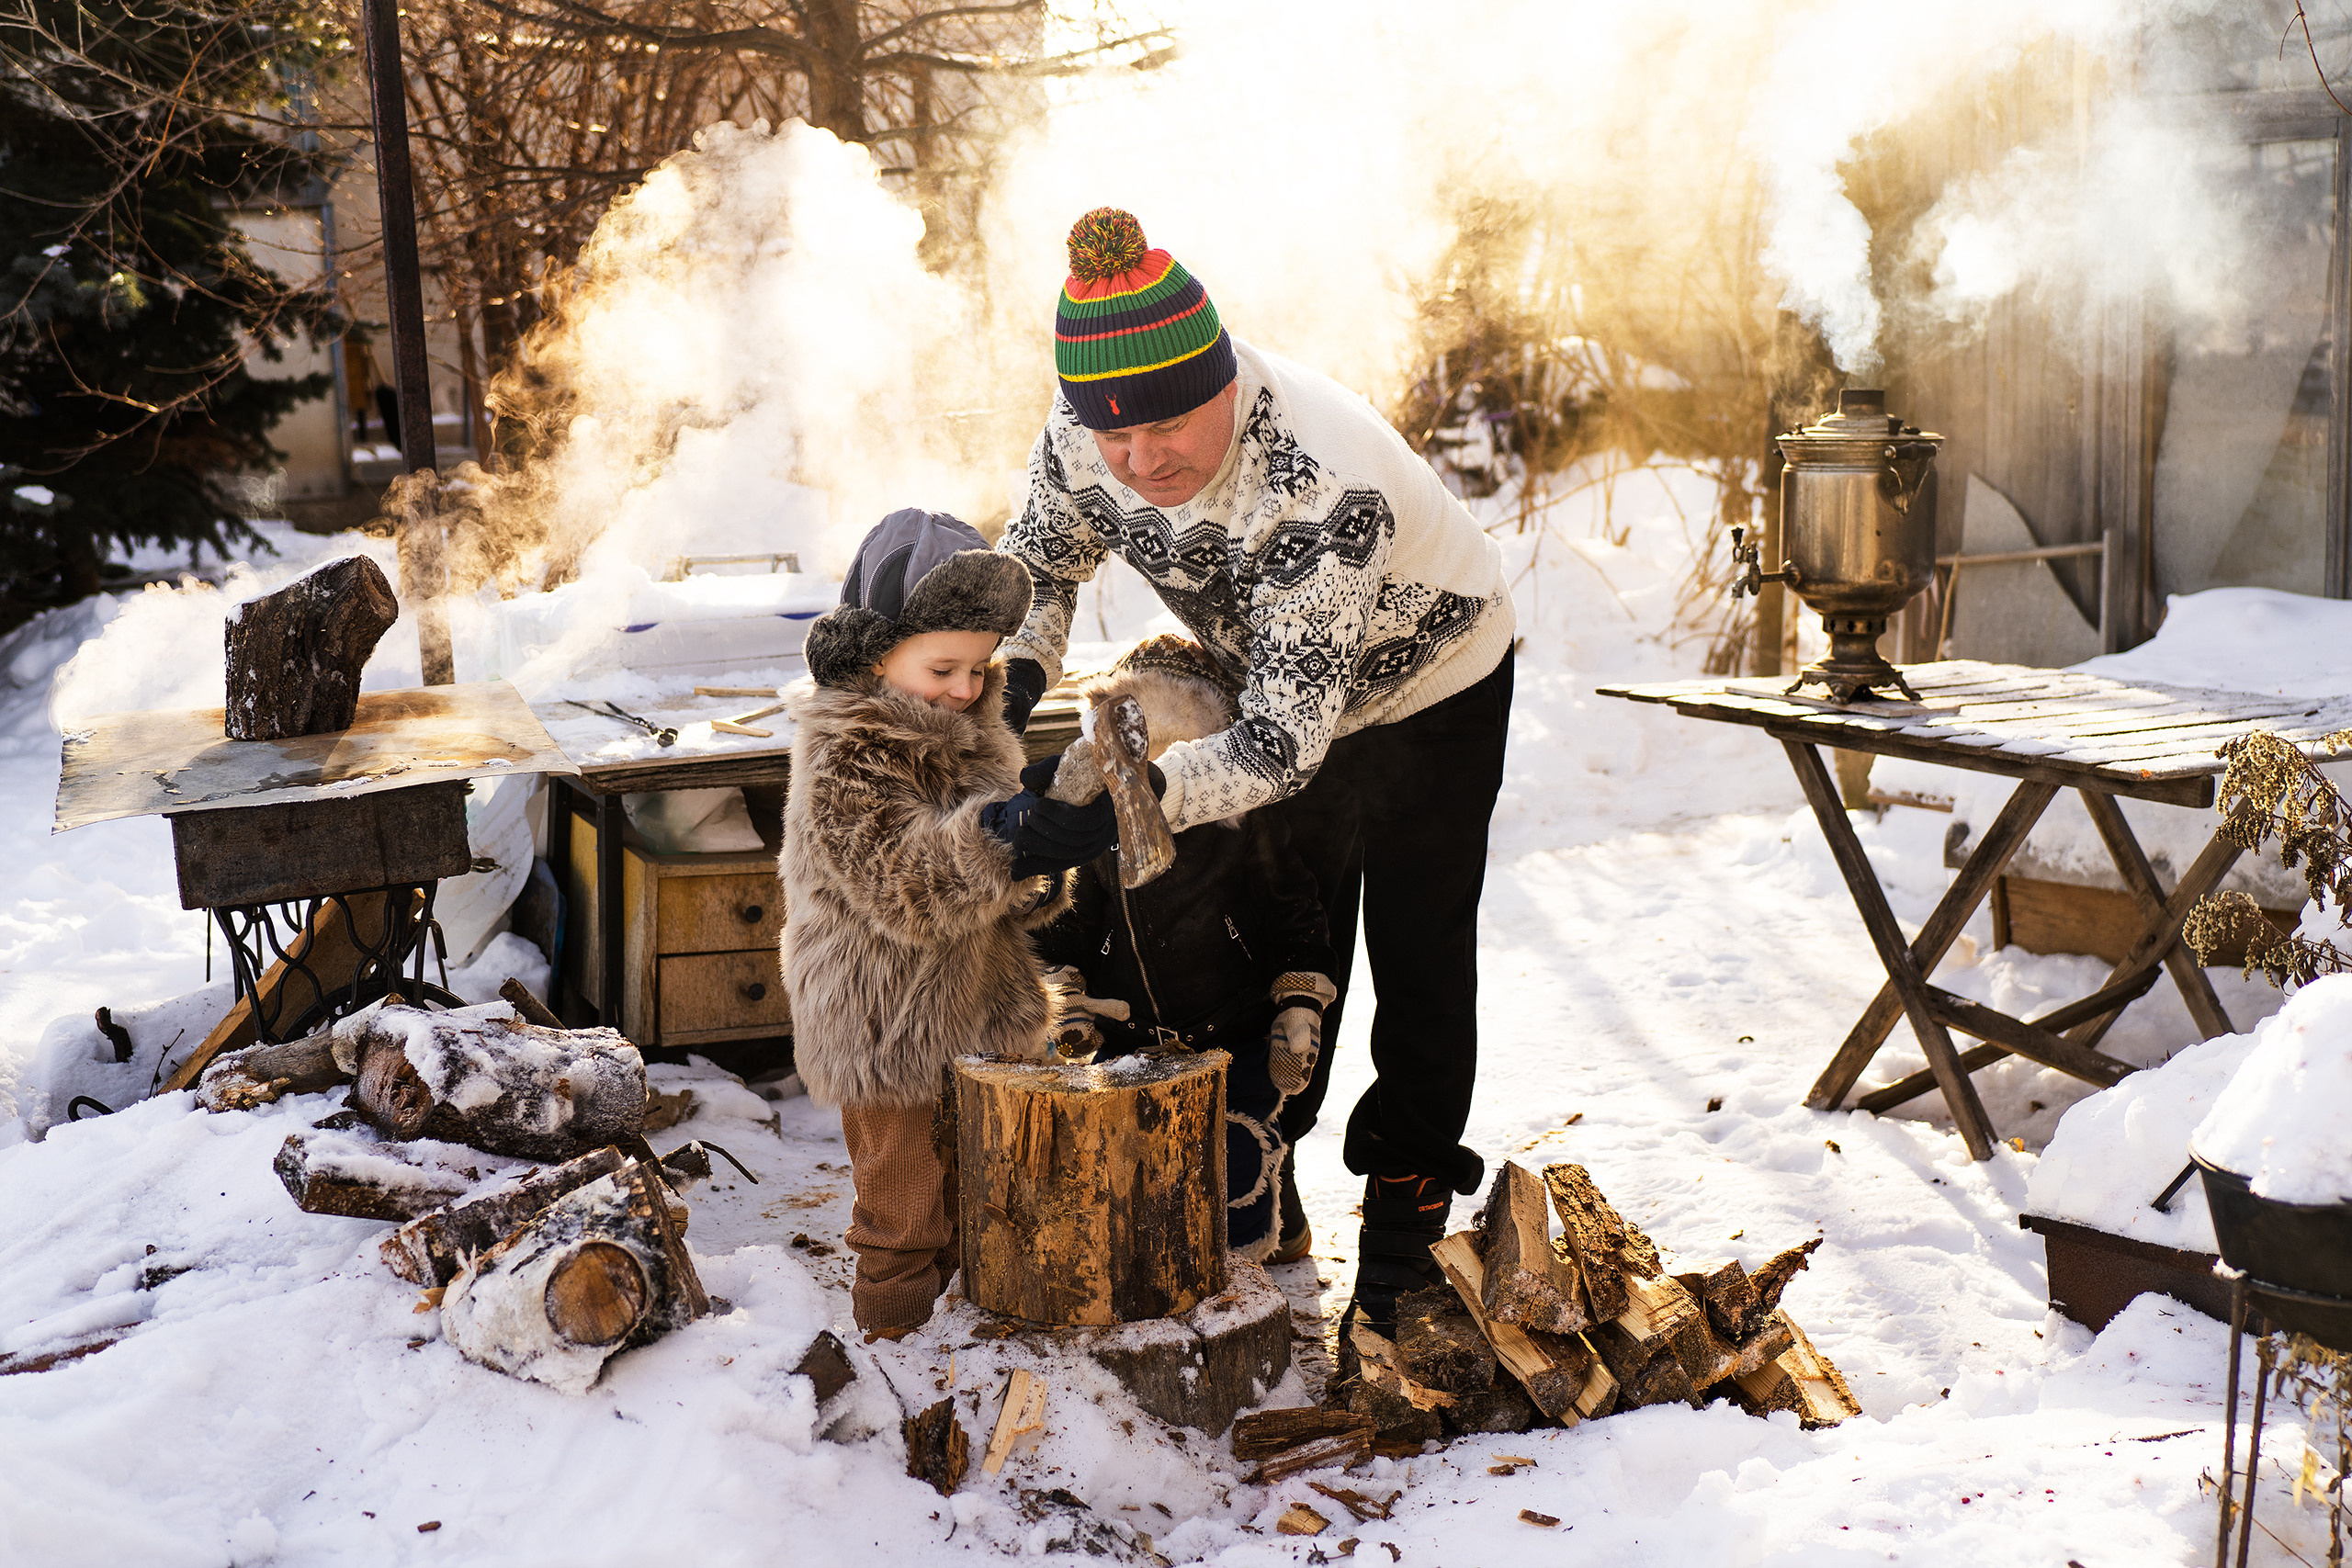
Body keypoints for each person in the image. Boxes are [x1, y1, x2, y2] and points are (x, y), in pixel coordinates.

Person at [996, 209, 1518, 1337]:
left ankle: (1403, 1232)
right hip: (1281, 672)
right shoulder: (1090, 428)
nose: (1142, 463)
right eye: (1116, 443)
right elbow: (1038, 563)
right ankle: (1262, 1170)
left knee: (1419, 954)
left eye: (1170, 430)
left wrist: (1129, 807)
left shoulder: (1314, 482)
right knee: (1294, 945)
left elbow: (1282, 747)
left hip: (1432, 685)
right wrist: (1004, 694)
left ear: (1223, 374)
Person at [779, 507, 1120, 1337]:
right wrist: (1004, 837)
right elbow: (908, 881)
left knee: (985, 1199)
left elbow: (992, 890)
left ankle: (970, 1351)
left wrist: (1038, 857)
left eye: (979, 667)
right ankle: (894, 1353)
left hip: (975, 1004)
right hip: (884, 1023)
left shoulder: (973, 729)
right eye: (943, 668)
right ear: (873, 654)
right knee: (905, 1220)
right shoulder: (849, 751)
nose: (967, 689)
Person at [1031, 635, 1339, 1261]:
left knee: (1236, 1160)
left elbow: (1293, 910)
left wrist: (1299, 1003)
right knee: (1134, 1171)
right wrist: (1069, 996)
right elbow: (1068, 922)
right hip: (1132, 1037)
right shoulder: (1100, 824)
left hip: (1236, 1037)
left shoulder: (1245, 823)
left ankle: (1243, 1276)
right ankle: (1161, 1273)